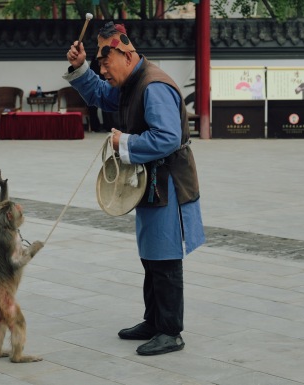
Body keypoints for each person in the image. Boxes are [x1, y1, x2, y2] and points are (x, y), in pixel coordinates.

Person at [64, 22, 205, 356]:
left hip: (169, 181)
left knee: (166, 255)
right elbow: (101, 94)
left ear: (125, 53)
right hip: (150, 180)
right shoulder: (131, 81)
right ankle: (153, 320)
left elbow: (167, 137)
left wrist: (121, 141)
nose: (102, 69)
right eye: (97, 62)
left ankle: (171, 331)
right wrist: (79, 67)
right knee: (151, 253)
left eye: (104, 60)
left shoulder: (154, 85)